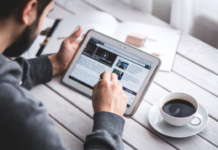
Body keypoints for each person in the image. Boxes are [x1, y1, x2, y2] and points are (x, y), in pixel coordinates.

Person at [0, 0, 128, 150]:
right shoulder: (23, 117)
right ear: (29, 9)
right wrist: (109, 117)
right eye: (47, 13)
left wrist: (54, 64)